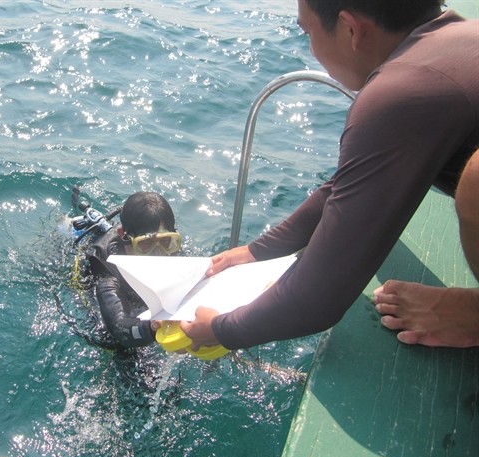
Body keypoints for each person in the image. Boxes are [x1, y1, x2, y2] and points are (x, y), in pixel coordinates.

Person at [181, 0, 479, 352]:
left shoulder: (398, 94)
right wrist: (258, 251)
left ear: (350, 28)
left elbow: (317, 300)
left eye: (307, 32)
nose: (309, 46)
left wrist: (221, 328)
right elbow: (351, 182)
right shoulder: (461, 36)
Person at [74, 191, 182, 349]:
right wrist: (151, 327)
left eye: (165, 241)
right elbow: (119, 327)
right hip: (108, 307)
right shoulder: (108, 270)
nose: (158, 253)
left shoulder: (171, 250)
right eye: (146, 244)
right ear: (122, 235)